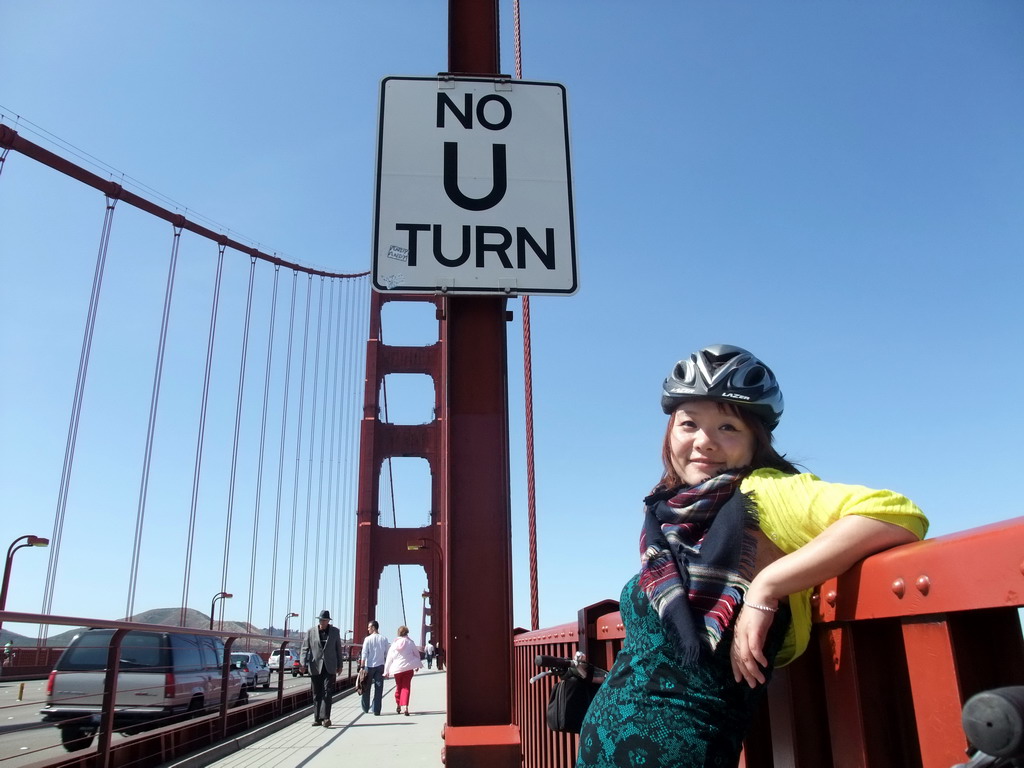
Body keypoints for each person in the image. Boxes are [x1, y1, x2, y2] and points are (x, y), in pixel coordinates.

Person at [575, 344, 928, 768]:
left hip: (683, 752)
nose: (704, 442)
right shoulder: (670, 512)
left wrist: (767, 585)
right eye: (689, 424)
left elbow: (896, 515)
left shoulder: (765, 490)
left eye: (728, 427)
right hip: (601, 747)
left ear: (754, 441)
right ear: (670, 432)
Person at [300, 609, 344, 727]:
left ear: (328, 621)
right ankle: (317, 718)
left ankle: (326, 718)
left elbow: (338, 649)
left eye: (324, 620)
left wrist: (340, 665)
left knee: (327, 691)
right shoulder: (311, 632)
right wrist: (303, 663)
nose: (322, 622)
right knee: (316, 693)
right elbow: (305, 648)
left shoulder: (335, 632)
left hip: (329, 667)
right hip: (315, 666)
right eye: (321, 620)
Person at [384, 625, 423, 715]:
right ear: (407, 632)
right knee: (406, 687)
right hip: (408, 669)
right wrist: (417, 664)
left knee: (399, 687)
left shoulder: (393, 644)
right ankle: (405, 707)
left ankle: (398, 704)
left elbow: (389, 658)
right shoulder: (410, 642)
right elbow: (417, 654)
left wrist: (386, 671)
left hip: (397, 670)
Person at [358, 620, 389, 716]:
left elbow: (364, 653)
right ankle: (376, 710)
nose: (368, 629)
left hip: (368, 666)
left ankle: (365, 708)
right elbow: (387, 654)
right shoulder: (384, 639)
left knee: (366, 688)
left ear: (373, 628)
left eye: (369, 627)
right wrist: (387, 667)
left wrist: (362, 666)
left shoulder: (367, 639)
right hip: (380, 666)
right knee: (379, 689)